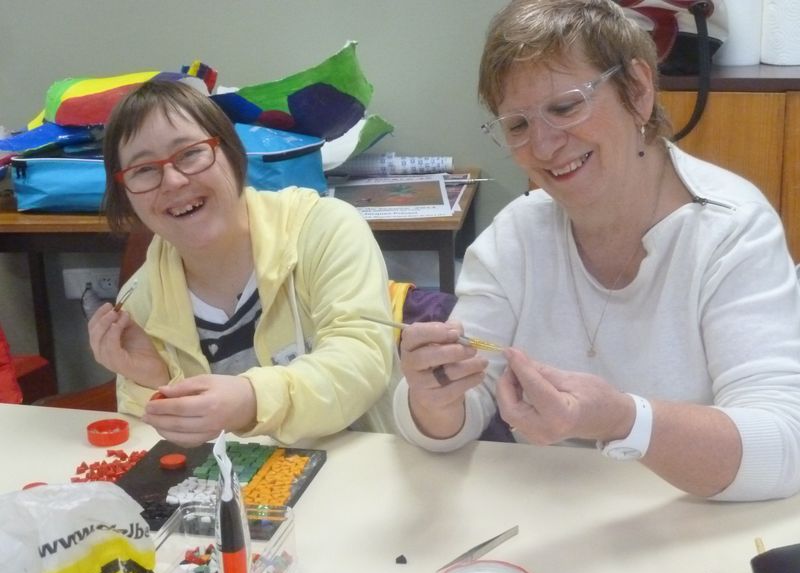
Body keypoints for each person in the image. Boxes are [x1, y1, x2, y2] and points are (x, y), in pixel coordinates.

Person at [393, 0, 800, 502]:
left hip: (693, 534)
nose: (543, 147)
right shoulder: (517, 236)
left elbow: (783, 447)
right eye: (517, 125)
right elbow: (460, 410)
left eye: (565, 107)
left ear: (638, 90)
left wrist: (625, 421)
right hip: (550, 538)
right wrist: (434, 400)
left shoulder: (731, 231)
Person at [89, 80, 396, 446]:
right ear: (126, 196)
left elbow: (360, 363)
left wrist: (251, 400)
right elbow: (153, 452)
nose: (172, 180)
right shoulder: (139, 300)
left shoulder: (324, 229)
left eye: (190, 153)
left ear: (232, 154)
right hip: (233, 497)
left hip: (354, 476)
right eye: (144, 170)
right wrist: (153, 380)